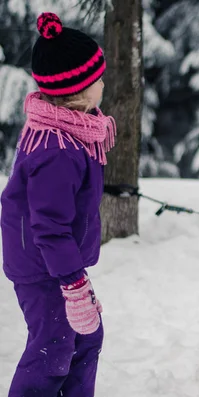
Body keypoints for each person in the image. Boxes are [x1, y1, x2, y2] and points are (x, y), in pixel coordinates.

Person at [1, 12, 116, 397]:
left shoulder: (77, 129)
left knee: (85, 339)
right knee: (53, 348)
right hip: (42, 266)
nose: (103, 83)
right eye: (98, 79)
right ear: (80, 91)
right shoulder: (57, 150)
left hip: (57, 261)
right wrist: (73, 284)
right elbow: (49, 226)